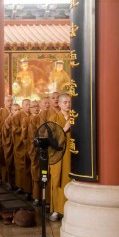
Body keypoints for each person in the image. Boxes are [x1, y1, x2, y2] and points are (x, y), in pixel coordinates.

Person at [48, 93, 73, 222]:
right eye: (65, 102)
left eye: (69, 102)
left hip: (72, 155)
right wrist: (64, 129)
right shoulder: (54, 118)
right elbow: (51, 140)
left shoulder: (75, 117)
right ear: (60, 103)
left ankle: (70, 210)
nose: (68, 105)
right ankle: (57, 210)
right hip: (60, 157)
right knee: (58, 182)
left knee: (70, 182)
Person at [22, 100, 42, 205]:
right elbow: (24, 136)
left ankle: (43, 197)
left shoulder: (43, 118)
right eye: (34, 106)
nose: (36, 108)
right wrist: (29, 148)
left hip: (43, 149)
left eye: (38, 106)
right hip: (32, 149)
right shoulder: (26, 119)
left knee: (43, 172)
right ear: (30, 108)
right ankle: (35, 196)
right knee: (35, 173)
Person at [12, 99, 32, 198]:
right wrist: (25, 129)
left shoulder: (33, 115)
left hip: (30, 145)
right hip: (20, 145)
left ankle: (29, 190)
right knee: (21, 168)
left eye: (29, 104)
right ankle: (21, 187)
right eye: (26, 105)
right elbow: (15, 129)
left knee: (29, 168)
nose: (28, 106)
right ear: (22, 106)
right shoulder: (18, 116)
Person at [0, 95, 13, 183]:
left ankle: (11, 180)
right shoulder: (0, 112)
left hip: (13, 138)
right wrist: (7, 122)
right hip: (3, 138)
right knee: (2, 158)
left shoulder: (16, 110)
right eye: (8, 100)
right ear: (4, 102)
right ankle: (0, 176)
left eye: (11, 100)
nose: (10, 102)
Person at [2, 103, 21, 189]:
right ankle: (10, 183)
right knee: (10, 163)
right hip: (10, 144)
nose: (17, 112)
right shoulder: (8, 120)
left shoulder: (22, 118)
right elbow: (5, 134)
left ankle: (18, 184)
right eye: (15, 110)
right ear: (11, 111)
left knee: (19, 165)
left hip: (19, 144)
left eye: (19, 110)